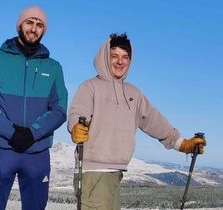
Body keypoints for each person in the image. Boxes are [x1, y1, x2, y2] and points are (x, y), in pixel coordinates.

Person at [68, 33, 206, 210]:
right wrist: (75, 128)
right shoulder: (90, 87)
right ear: (105, 58)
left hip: (116, 173)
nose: (120, 62)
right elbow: (77, 112)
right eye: (114, 56)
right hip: (92, 172)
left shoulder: (133, 93)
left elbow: (153, 120)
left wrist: (182, 144)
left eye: (125, 57)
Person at [0, 6, 68, 210]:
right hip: (2, 150)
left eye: (39, 24)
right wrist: (12, 132)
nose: (33, 28)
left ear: (44, 30)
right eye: (29, 22)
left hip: (37, 152)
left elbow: (60, 109)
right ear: (20, 25)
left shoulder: (53, 68)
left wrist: (32, 133)